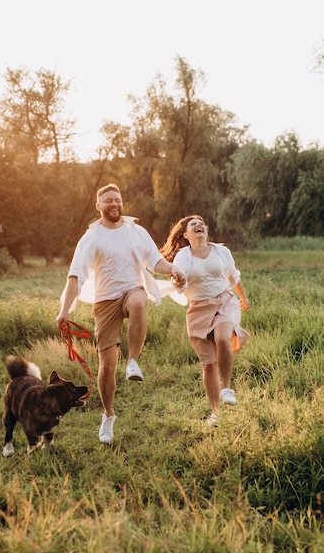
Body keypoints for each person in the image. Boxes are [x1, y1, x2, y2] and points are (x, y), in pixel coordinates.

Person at [56, 184, 186, 444]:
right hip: (105, 302)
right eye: (108, 201)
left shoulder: (135, 231)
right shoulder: (91, 237)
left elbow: (154, 260)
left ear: (122, 202)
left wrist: (172, 268)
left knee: (139, 302)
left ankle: (134, 362)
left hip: (131, 290)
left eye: (117, 200)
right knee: (106, 367)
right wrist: (64, 311)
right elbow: (75, 275)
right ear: (98, 205)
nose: (114, 204)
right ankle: (108, 415)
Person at [160, 215, 250, 426]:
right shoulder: (183, 256)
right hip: (199, 309)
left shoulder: (221, 251)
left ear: (206, 231)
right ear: (186, 235)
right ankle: (216, 413)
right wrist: (179, 281)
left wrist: (243, 297)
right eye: (194, 224)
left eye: (202, 224)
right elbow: (180, 288)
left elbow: (233, 276)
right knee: (209, 365)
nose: (199, 225)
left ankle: (226, 388)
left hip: (224, 302)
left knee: (222, 338)